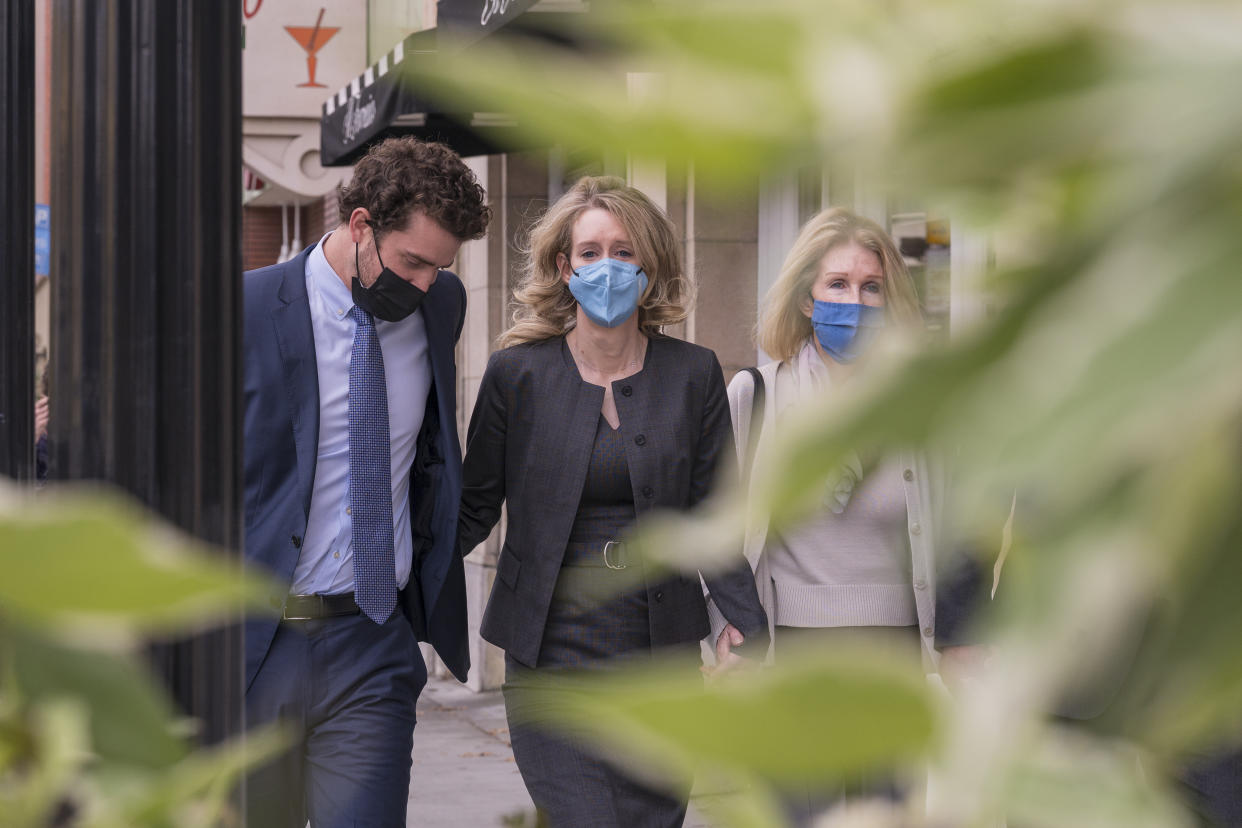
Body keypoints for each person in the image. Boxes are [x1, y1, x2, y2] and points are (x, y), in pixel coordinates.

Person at [457, 175, 769, 827]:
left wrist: (743, 630)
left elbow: (715, 516)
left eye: (623, 252)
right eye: (591, 252)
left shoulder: (693, 373)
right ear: (564, 268)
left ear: (649, 267)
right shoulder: (516, 375)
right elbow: (472, 506)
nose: (607, 267)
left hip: (660, 655)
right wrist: (396, 572)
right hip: (550, 654)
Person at [241, 136, 489, 827]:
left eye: (440, 269)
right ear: (359, 226)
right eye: (412, 262)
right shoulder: (247, 310)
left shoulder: (441, 304)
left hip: (372, 640)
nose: (424, 285)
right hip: (254, 646)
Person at [721, 206, 944, 818]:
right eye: (838, 285)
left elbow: (951, 532)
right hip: (793, 652)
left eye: (872, 287)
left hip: (894, 656)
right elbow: (722, 532)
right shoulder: (758, 395)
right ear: (807, 300)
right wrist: (730, 636)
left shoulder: (919, 405)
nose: (857, 301)